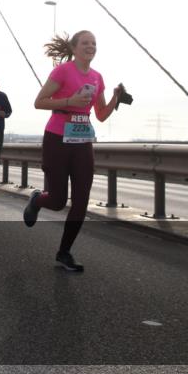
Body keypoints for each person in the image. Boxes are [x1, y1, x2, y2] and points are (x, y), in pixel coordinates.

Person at [22, 31, 124, 272]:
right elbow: (39, 102)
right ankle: (38, 199)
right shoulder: (63, 71)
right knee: (57, 201)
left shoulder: (98, 77)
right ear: (74, 48)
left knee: (81, 201)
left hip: (82, 140)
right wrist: (69, 102)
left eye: (94, 43)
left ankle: (64, 252)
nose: (91, 46)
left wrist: (115, 99)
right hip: (57, 138)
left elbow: (99, 115)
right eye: (86, 43)